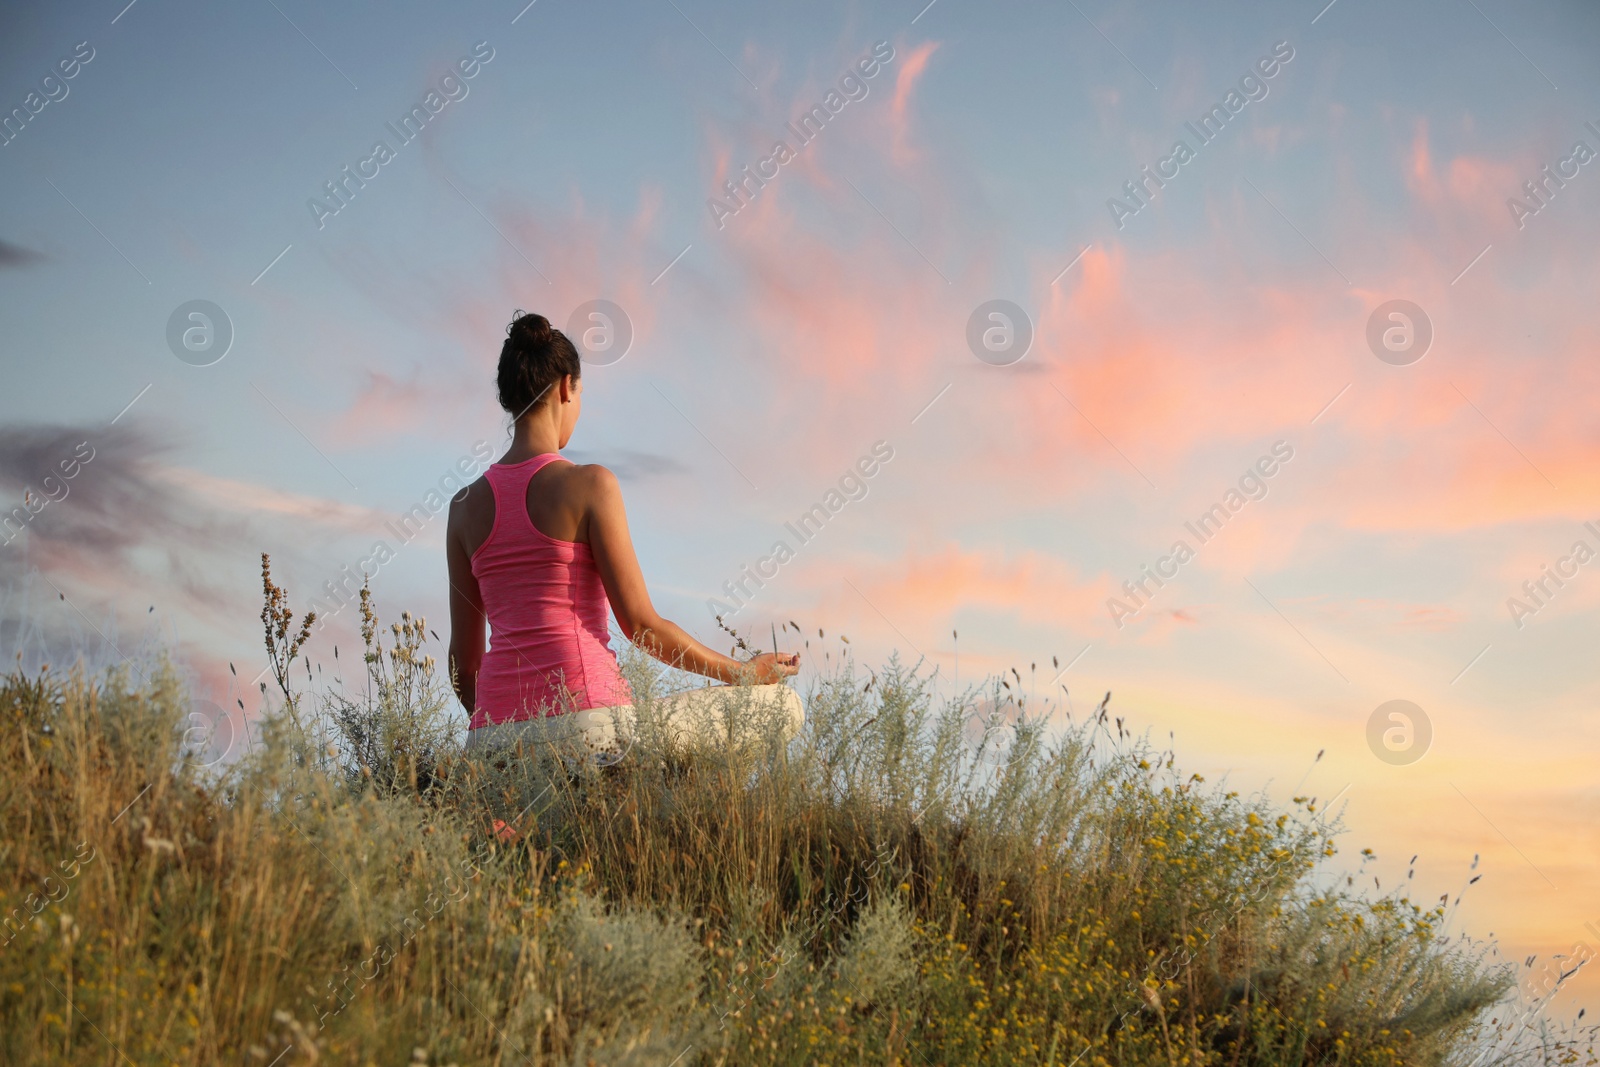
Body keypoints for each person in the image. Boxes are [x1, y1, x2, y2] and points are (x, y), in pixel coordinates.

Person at [446, 310, 802, 763]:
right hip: (591, 727)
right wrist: (744, 673)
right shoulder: (592, 485)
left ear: (509, 399)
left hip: (492, 740)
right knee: (781, 707)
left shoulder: (462, 508)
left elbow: (464, 663)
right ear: (564, 389)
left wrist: (506, 728)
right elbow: (643, 628)